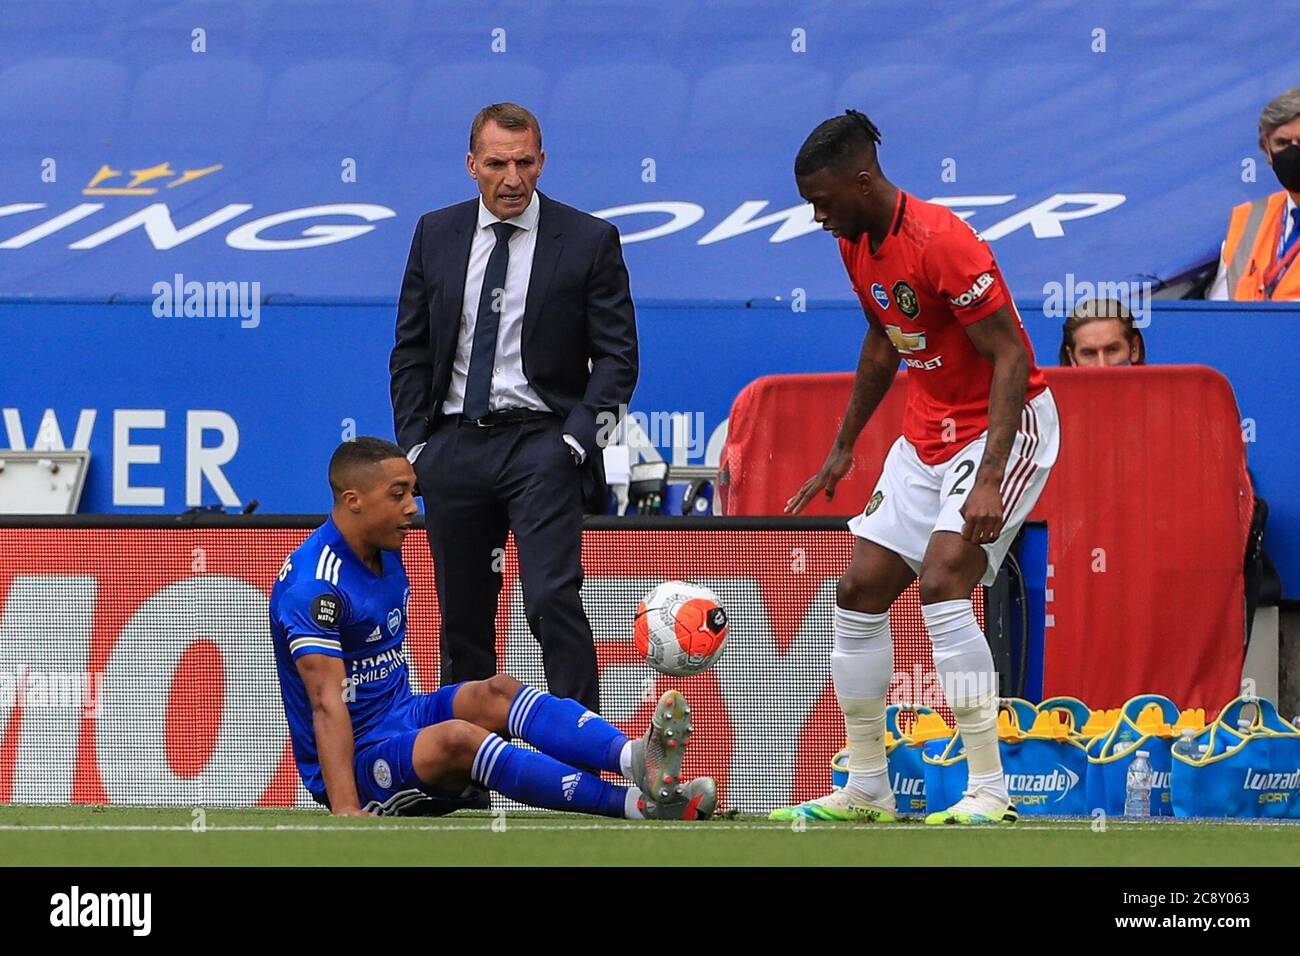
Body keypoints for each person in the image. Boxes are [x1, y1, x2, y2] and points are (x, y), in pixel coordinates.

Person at [775, 111, 1060, 826]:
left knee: (941, 584)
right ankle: (867, 786)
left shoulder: (944, 242)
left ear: (863, 180)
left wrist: (991, 476)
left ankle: (990, 790)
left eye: (824, 201)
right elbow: (883, 337)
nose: (818, 217)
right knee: (858, 590)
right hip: (927, 430)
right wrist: (845, 445)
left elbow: (1011, 357)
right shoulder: (855, 240)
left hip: (1005, 424)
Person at [268, 437, 714, 819]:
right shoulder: (315, 587)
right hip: (360, 762)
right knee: (460, 738)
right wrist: (346, 809)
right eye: (398, 494)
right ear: (354, 501)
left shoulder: (382, 547)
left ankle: (636, 759)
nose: (411, 508)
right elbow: (326, 703)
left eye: (412, 494)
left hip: (402, 716)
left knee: (496, 690)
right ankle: (639, 806)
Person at [390, 103, 638, 713]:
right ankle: (467, 769)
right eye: (497, 163)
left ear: (542, 162)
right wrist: (417, 445)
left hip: (543, 444)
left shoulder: (588, 240)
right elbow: (410, 349)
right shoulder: (434, 233)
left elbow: (618, 360)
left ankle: (582, 756)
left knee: (552, 598)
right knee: (463, 615)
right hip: (454, 446)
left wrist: (578, 441)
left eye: (525, 163)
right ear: (472, 165)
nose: (512, 178)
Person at [1207, 87, 1300, 301]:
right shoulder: (1248, 220)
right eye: (1282, 143)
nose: (1293, 153)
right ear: (1267, 149)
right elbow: (1219, 311)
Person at [1058, 297, 1147, 366]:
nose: (1102, 365)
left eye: (1112, 350)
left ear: (1134, 349)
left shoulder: (1159, 390)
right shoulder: (1051, 390)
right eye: (1089, 353)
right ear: (1071, 357)